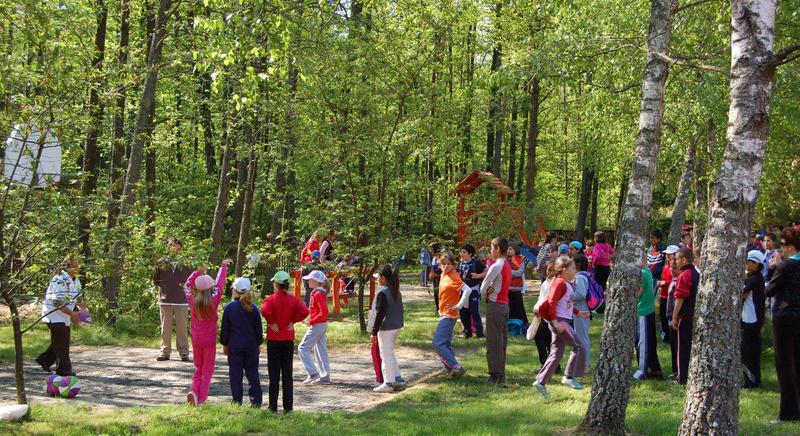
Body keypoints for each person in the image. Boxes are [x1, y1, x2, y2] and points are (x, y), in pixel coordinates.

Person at [532, 256, 591, 398]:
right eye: (572, 268)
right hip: (559, 321)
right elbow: (552, 303)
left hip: (561, 320)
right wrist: (555, 321)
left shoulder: (567, 283)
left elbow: (566, 304)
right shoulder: (559, 283)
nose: (575, 270)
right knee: (579, 346)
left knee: (557, 351)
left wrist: (579, 312)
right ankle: (569, 377)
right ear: (564, 270)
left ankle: (541, 381)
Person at [184, 258, 231, 405]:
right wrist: (223, 267)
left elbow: (186, 286)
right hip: (209, 340)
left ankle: (194, 391)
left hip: (196, 339)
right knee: (208, 369)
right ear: (211, 288)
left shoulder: (193, 300)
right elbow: (220, 284)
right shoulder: (214, 300)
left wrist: (198, 271)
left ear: (197, 289)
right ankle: (201, 398)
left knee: (198, 367)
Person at [261, 271, 310, 413]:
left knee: (274, 375)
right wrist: (293, 321)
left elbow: (264, 310)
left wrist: (271, 322)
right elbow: (305, 311)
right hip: (288, 339)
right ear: (287, 285)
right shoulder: (293, 300)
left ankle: (272, 407)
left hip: (274, 339)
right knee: (287, 374)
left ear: (276, 284)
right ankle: (288, 408)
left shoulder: (270, 299)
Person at [765, 227, 800, 422]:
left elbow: (770, 290)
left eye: (784, 245)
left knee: (784, 365)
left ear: (792, 246)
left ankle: (788, 413)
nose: (782, 248)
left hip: (785, 317)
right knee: (798, 361)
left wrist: (774, 267)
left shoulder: (785, 266)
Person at [35, 255, 85, 377]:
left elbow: (78, 297)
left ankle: (44, 360)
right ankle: (64, 369)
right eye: (76, 264)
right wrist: (72, 313)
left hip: (65, 315)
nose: (79, 266)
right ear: (69, 266)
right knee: (62, 341)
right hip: (53, 314)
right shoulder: (59, 279)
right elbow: (56, 301)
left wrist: (83, 311)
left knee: (60, 340)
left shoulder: (76, 280)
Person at [220, 277, 263, 407]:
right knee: (253, 374)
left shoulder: (229, 308)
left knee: (235, 375)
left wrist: (224, 343)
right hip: (251, 346)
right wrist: (258, 343)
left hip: (235, 346)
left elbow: (225, 330)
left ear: (235, 290)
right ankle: (256, 402)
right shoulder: (254, 308)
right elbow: (259, 330)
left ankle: (237, 401)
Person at [153, 238, 193, 362]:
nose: (175, 249)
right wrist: (165, 289)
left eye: (177, 247)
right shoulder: (161, 262)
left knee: (182, 327)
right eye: (172, 246)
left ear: (180, 248)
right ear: (168, 247)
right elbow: (155, 279)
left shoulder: (187, 263)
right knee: (165, 328)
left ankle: (184, 352)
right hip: (166, 299)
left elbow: (191, 279)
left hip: (181, 300)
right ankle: (165, 352)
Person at [432, 252, 472, 377]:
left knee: (438, 342)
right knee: (445, 343)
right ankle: (451, 371)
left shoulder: (454, 276)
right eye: (443, 264)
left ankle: (456, 367)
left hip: (449, 315)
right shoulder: (444, 274)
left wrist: (459, 305)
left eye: (449, 264)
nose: (446, 266)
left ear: (454, 265)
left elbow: (467, 290)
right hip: (443, 313)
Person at [480, 237, 512, 385]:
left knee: (494, 342)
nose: (491, 251)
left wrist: (489, 289)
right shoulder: (507, 264)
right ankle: (501, 372)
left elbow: (482, 289)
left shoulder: (496, 266)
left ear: (498, 249)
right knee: (501, 341)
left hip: (495, 305)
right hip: (505, 305)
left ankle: (495, 375)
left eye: (492, 248)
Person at [371, 265, 406, 393]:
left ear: (384, 278)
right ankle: (397, 379)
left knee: (385, 355)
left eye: (378, 277)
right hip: (396, 326)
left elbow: (380, 314)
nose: (377, 279)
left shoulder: (383, 293)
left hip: (386, 329)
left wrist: (374, 332)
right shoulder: (396, 290)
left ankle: (388, 382)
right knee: (390, 353)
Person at [298, 270, 331, 385]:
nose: (308, 281)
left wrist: (312, 320)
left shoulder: (317, 293)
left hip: (318, 324)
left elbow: (324, 311)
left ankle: (313, 373)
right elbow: (319, 311)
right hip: (321, 324)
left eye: (310, 279)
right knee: (320, 350)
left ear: (317, 282)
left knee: (302, 348)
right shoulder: (318, 292)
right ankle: (324, 376)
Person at [671, 248, 698, 385]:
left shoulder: (684, 275)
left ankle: (682, 377)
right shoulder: (696, 273)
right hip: (694, 315)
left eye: (677, 259)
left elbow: (680, 298)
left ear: (684, 260)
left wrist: (674, 316)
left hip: (685, 316)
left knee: (682, 348)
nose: (675, 262)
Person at [741, 250, 766, 389]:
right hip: (752, 320)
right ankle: (755, 380)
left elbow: (740, 291)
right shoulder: (755, 278)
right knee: (752, 352)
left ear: (755, 264)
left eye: (748, 261)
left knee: (748, 353)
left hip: (751, 320)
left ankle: (750, 382)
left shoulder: (754, 279)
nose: (746, 264)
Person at [634, 261, 662, 380]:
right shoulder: (648, 272)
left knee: (642, 343)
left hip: (643, 311)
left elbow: (637, 293)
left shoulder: (642, 273)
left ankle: (642, 370)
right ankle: (655, 369)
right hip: (647, 310)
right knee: (649, 341)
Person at [532, 262, 557, 372]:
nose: (551, 272)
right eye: (549, 270)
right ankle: (545, 363)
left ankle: (553, 365)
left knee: (549, 341)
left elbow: (550, 300)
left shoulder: (556, 283)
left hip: (550, 315)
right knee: (539, 338)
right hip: (541, 314)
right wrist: (536, 307)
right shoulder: (545, 283)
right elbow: (541, 297)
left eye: (553, 270)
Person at [457, 244, 485, 339]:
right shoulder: (459, 263)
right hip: (462, 291)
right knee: (463, 312)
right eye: (461, 252)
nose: (461, 254)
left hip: (473, 290)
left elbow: (487, 271)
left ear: (470, 253)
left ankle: (480, 333)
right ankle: (467, 332)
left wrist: (478, 275)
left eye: (464, 252)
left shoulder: (476, 263)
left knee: (474, 311)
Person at [572, 254, 592, 373]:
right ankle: (583, 363)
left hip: (581, 308)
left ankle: (585, 364)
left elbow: (581, 294)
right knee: (581, 335)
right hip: (581, 308)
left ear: (578, 265)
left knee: (582, 336)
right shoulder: (584, 275)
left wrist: (568, 296)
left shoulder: (579, 277)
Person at [657, 245, 680, 343]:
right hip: (663, 295)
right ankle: (666, 336)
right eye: (666, 254)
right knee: (663, 317)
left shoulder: (676, 267)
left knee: (669, 317)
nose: (667, 256)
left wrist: (664, 283)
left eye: (669, 254)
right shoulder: (666, 265)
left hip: (671, 296)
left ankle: (670, 337)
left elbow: (675, 280)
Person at [508, 242, 529, 326]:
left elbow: (519, 273)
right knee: (509, 308)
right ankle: (510, 325)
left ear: (515, 249)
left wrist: (508, 272)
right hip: (507, 288)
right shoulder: (504, 259)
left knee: (518, 307)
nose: (508, 251)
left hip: (517, 288)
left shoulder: (520, 259)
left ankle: (523, 325)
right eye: (507, 249)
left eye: (510, 249)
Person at [429, 242, 443, 313]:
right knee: (436, 293)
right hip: (435, 278)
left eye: (431, 249)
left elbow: (441, 270)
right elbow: (432, 268)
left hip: (440, 278)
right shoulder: (434, 258)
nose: (430, 250)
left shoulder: (441, 257)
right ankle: (437, 309)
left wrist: (434, 274)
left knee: (439, 293)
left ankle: (441, 309)